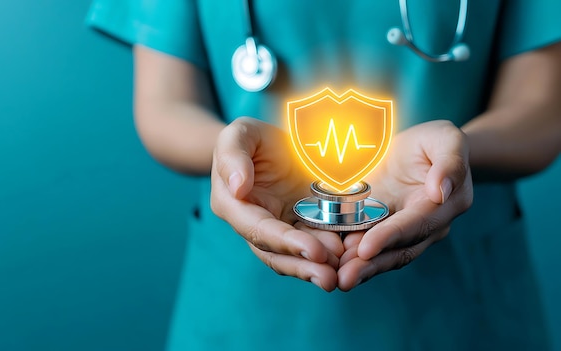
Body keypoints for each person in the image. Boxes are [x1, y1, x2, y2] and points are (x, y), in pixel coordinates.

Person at [87, 1, 561, 350]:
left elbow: (542, 114)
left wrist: (454, 156)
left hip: (461, 309)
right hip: (247, 311)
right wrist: (231, 156)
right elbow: (164, 106)